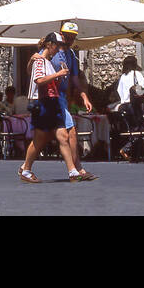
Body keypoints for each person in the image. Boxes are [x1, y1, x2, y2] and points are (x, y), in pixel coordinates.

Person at [18, 32, 85, 184]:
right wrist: (58, 74)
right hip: (43, 104)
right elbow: (39, 80)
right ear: (50, 44)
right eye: (58, 45)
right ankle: (26, 169)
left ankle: (73, 171)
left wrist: (58, 77)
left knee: (63, 136)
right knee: (39, 139)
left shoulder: (46, 61)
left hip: (52, 102)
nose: (59, 49)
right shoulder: (40, 61)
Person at [51, 22, 97, 180]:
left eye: (73, 37)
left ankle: (76, 169)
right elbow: (37, 69)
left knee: (70, 133)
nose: (70, 40)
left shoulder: (71, 55)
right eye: (67, 36)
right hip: (51, 98)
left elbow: (75, 78)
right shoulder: (52, 52)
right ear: (61, 34)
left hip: (61, 99)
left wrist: (84, 96)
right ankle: (26, 167)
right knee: (42, 137)